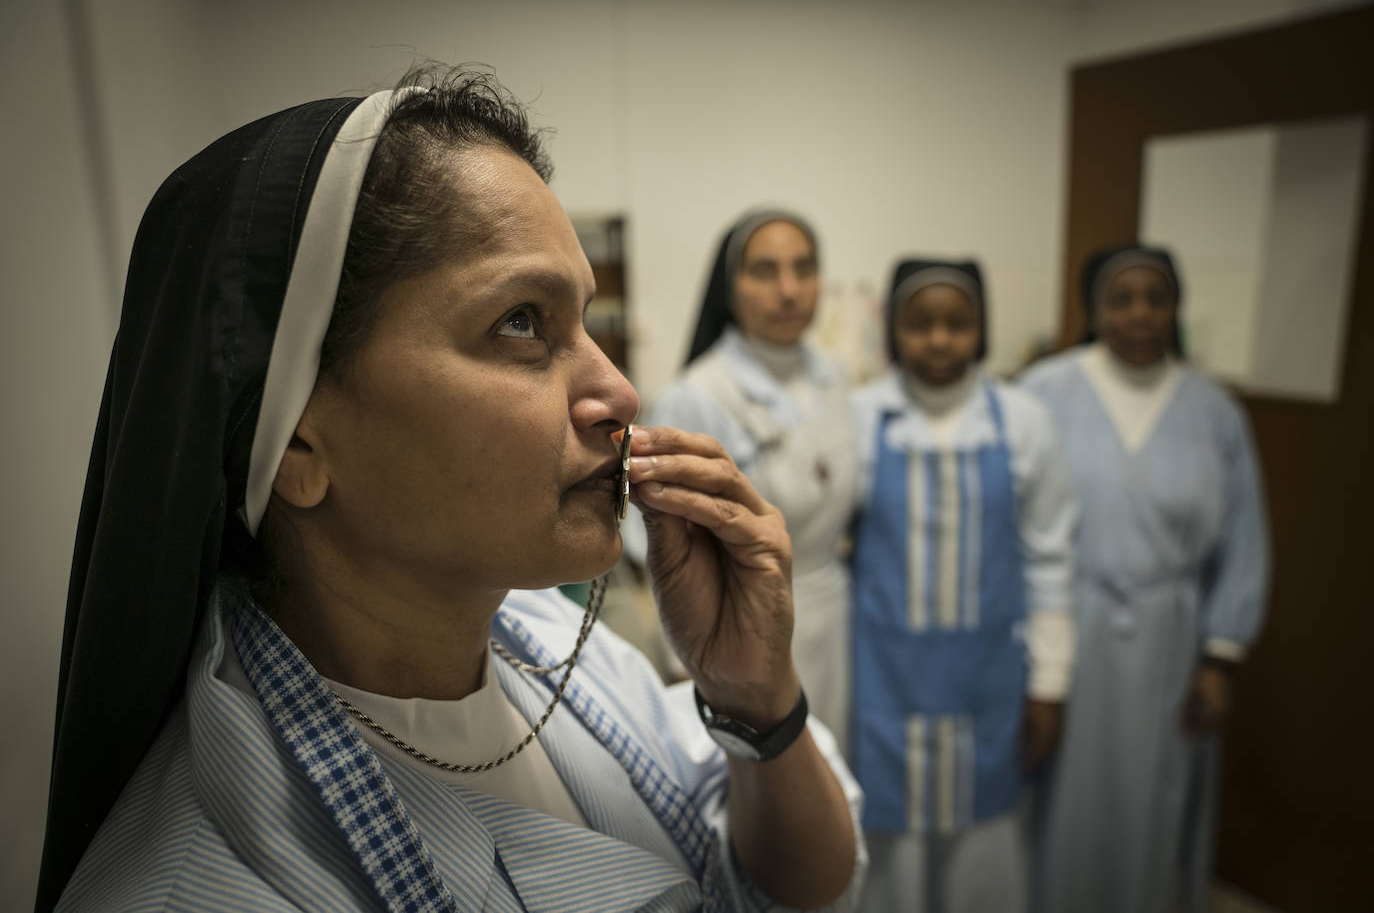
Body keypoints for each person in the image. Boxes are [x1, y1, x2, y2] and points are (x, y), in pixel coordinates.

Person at [36, 66, 866, 912]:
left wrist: (754, 703)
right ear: (294, 443)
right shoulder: (194, 886)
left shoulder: (549, 650)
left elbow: (796, 887)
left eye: (585, 321)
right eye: (520, 323)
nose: (618, 392)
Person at [1022, 244, 1270, 913]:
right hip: (1065, 630)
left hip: (1171, 637)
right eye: (1121, 299)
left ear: (1176, 309)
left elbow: (1245, 543)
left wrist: (1222, 657)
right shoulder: (1043, 392)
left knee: (1156, 798)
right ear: (1094, 308)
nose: (1140, 314)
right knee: (1061, 801)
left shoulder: (1216, 413)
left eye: (1156, 298)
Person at [849, 259, 1077, 913]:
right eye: (920, 324)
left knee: (985, 858)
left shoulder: (1023, 420)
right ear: (894, 329)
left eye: (958, 323)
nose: (940, 339)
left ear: (982, 330)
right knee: (891, 858)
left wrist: (1051, 683)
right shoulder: (860, 418)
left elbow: (1051, 557)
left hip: (991, 677)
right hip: (885, 678)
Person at [624, 210, 859, 753]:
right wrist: (689, 666)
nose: (789, 289)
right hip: (742, 622)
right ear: (729, 287)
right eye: (765, 271)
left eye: (804, 268)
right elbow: (661, 551)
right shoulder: (698, 395)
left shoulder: (835, 379)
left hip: (836, 623)